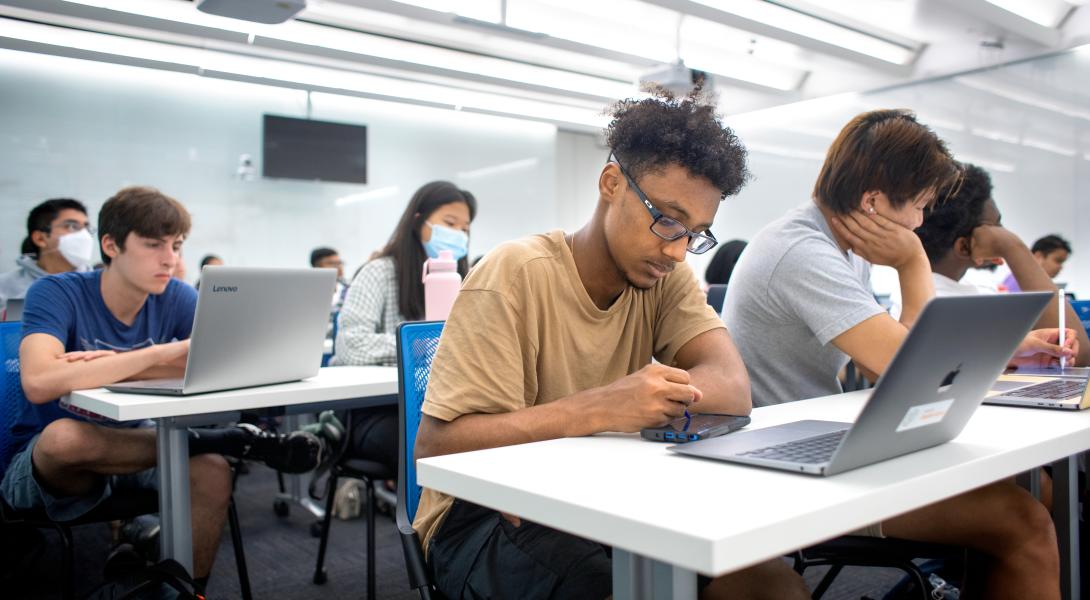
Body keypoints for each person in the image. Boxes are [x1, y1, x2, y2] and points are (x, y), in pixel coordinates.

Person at [414, 87, 813, 600]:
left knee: (774, 589)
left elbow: (732, 388)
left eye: (695, 233)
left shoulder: (666, 275)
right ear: (610, 183)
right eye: (667, 219)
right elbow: (438, 446)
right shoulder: (514, 274)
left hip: (606, 497)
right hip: (482, 517)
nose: (676, 249)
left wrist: (644, 400)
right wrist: (597, 409)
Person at [723, 110, 1060, 599]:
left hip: (821, 445)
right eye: (920, 206)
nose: (921, 222)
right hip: (785, 471)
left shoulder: (839, 246)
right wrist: (912, 262)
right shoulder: (802, 251)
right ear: (875, 201)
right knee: (1024, 521)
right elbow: (908, 370)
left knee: (1019, 496)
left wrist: (1005, 344)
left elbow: (895, 355)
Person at [1, 186, 322, 594]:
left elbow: (214, 361)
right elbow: (40, 381)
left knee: (211, 470)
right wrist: (160, 354)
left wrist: (101, 365)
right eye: (153, 245)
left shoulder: (176, 296)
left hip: (140, 449)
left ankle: (187, 590)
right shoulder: (57, 291)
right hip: (55, 469)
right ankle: (222, 440)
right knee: (65, 438)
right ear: (111, 245)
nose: (170, 258)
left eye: (177, 245)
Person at [328, 181, 476, 473]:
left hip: (438, 407)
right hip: (378, 411)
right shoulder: (380, 272)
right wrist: (416, 347)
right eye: (449, 223)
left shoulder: (463, 280)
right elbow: (349, 345)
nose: (458, 234)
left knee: (484, 441)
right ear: (418, 220)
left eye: (465, 229)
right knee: (452, 452)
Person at [913, 163, 1085, 367]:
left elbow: (1075, 354)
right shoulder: (941, 303)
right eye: (996, 225)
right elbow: (1081, 357)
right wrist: (1013, 247)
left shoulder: (967, 290)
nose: (1003, 233)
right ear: (964, 247)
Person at [0, 198, 94, 314]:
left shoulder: (102, 286)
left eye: (86, 228)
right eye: (71, 226)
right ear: (40, 238)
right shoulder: (4, 287)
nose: (84, 235)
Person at [1002, 234, 1072, 292]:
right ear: (1038, 256)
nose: (1060, 267)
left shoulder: (1039, 284)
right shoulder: (1018, 281)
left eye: (1062, 262)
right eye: (1058, 260)